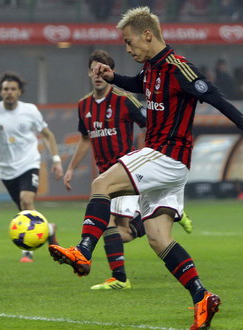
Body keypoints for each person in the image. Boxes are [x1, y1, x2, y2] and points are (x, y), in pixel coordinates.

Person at [48, 7, 243, 330]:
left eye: (129, 43)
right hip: (171, 166)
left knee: (101, 184)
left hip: (165, 155)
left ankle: (84, 251)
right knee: (157, 238)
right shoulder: (152, 69)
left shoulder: (178, 67)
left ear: (148, 35)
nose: (127, 49)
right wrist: (114, 78)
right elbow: (138, 84)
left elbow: (213, 95)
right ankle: (202, 296)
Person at [65, 49, 192, 290]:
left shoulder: (125, 100)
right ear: (89, 73)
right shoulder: (84, 105)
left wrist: (151, 158)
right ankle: (121, 276)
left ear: (109, 72)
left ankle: (120, 276)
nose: (98, 75)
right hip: (107, 174)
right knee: (116, 229)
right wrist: (71, 167)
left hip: (131, 172)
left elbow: (150, 125)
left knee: (112, 228)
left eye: (103, 70)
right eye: (95, 70)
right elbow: (84, 139)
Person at [0, 72, 63, 263]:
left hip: (29, 163)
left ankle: (27, 250)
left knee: (26, 200)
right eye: (5, 89)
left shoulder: (30, 110)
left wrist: (56, 160)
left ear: (20, 92)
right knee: (23, 209)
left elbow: (47, 135)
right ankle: (50, 229)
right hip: (6, 170)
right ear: (0, 91)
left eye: (13, 89)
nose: (9, 92)